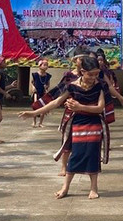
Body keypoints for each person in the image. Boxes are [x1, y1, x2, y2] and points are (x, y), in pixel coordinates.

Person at [18, 56, 107, 199]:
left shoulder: (100, 85)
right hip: (78, 123)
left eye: (96, 73)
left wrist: (80, 106)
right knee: (76, 154)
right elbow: (56, 102)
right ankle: (65, 187)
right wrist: (34, 112)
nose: (94, 77)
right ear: (82, 71)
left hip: (94, 123)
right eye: (91, 74)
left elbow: (100, 108)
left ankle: (94, 188)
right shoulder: (72, 86)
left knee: (92, 154)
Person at [29, 59, 53, 128]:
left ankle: (40, 123)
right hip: (36, 92)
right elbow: (32, 82)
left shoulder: (48, 76)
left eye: (47, 65)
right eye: (44, 65)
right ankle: (34, 122)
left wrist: (47, 87)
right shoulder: (35, 74)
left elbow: (48, 84)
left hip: (43, 92)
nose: (46, 67)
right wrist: (33, 87)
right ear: (40, 66)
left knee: (43, 107)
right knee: (35, 106)